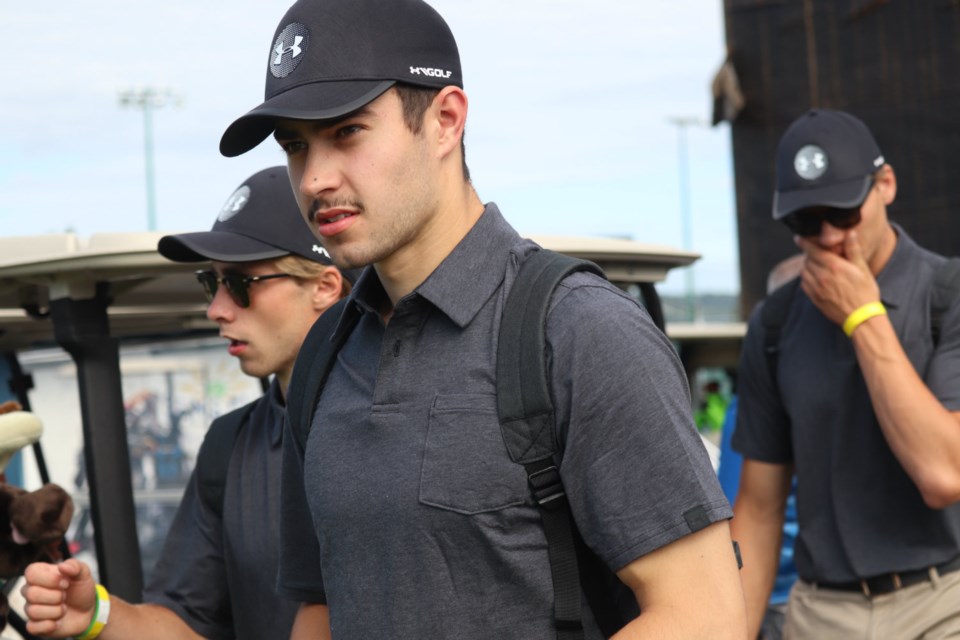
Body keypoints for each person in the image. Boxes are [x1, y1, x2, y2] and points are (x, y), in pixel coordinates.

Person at [218, 1, 748, 638]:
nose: (314, 179)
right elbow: (321, 609)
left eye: (347, 132)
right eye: (297, 147)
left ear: (445, 121)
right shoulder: (325, 356)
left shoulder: (578, 332)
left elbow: (707, 614)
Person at [19, 166, 355, 640]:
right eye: (209, 282)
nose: (216, 307)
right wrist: (95, 613)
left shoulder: (403, 426)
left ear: (325, 286)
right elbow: (184, 622)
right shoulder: (231, 444)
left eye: (239, 284)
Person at [731, 108, 960, 639]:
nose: (831, 237)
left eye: (843, 213)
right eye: (807, 222)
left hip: (942, 599)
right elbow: (761, 511)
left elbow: (944, 474)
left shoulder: (947, 298)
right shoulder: (775, 322)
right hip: (820, 611)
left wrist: (862, 317)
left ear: (886, 185)